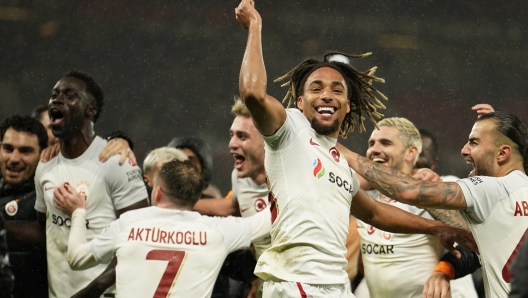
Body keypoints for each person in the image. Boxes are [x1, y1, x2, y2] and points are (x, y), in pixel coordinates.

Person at [235, 1, 476, 296]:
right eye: (316, 88)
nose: (327, 95)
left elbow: (374, 212)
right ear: (299, 102)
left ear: (347, 106)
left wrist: (435, 229)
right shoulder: (290, 130)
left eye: (337, 90)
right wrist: (255, 26)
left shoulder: (338, 162)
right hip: (296, 282)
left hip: (335, 286)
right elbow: (252, 94)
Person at [341, 109, 528, 298]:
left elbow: (408, 192)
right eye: (371, 143)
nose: (464, 150)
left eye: (474, 142)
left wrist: (345, 155)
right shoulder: (517, 189)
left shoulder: (480, 188)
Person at [53, 159, 271, 298]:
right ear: (196, 198)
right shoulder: (218, 231)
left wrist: (78, 211)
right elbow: (274, 218)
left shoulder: (129, 223)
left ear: (157, 193)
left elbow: (76, 258)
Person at [34, 70, 149, 297]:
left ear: (91, 109)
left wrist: (95, 288)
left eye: (69, 96)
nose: (57, 99)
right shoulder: (45, 164)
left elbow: (140, 237)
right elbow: (44, 228)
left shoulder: (116, 162)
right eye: (54, 94)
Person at [0, 115, 48, 297]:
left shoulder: (52, 190)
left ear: (42, 153)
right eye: (8, 148)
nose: (14, 158)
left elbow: (50, 236)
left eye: (25, 151)